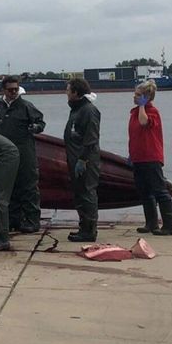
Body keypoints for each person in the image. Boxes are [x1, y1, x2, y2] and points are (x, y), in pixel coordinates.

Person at [0, 75, 46, 234]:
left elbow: (41, 122)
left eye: (16, 89)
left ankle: (32, 221)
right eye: (10, 90)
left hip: (25, 151)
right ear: (4, 90)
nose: (14, 92)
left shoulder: (26, 106)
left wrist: (35, 127)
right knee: (11, 186)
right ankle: (13, 219)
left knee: (29, 186)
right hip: (6, 153)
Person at [129, 80, 172, 235]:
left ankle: (170, 226)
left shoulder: (151, 112)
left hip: (150, 157)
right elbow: (135, 135)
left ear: (145, 97)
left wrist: (143, 105)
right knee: (144, 191)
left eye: (137, 95)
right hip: (138, 157)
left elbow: (144, 123)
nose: (134, 97)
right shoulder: (134, 113)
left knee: (159, 190)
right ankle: (151, 223)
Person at [64, 78, 101, 242]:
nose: (66, 93)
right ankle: (83, 226)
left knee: (87, 193)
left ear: (76, 92)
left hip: (85, 161)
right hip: (75, 158)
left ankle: (89, 230)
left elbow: (91, 138)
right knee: (79, 194)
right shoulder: (76, 110)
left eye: (68, 90)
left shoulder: (89, 110)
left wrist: (83, 160)